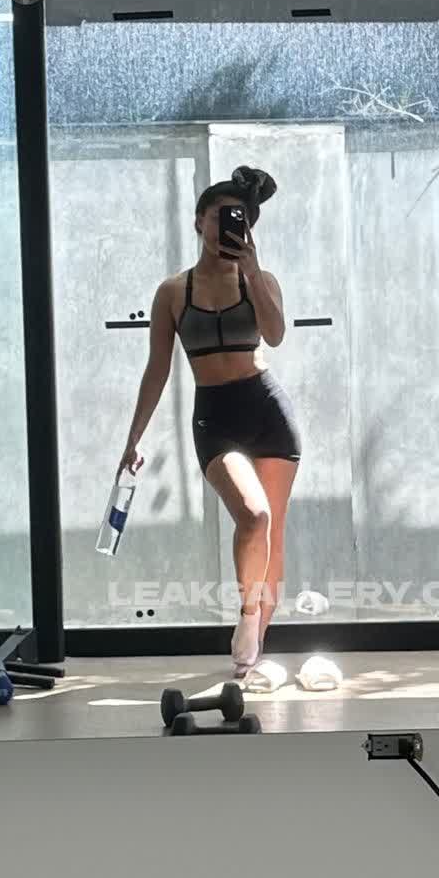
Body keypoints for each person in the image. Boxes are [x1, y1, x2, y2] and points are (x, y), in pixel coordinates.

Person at [116, 165, 302, 676]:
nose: (227, 228)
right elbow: (157, 368)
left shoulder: (259, 279)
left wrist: (253, 270)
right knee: (254, 516)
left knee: (272, 533)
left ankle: (254, 650)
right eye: (221, 217)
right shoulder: (173, 292)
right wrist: (133, 439)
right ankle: (248, 615)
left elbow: (275, 334)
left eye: (239, 219)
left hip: (267, 410)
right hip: (216, 418)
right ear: (199, 220)